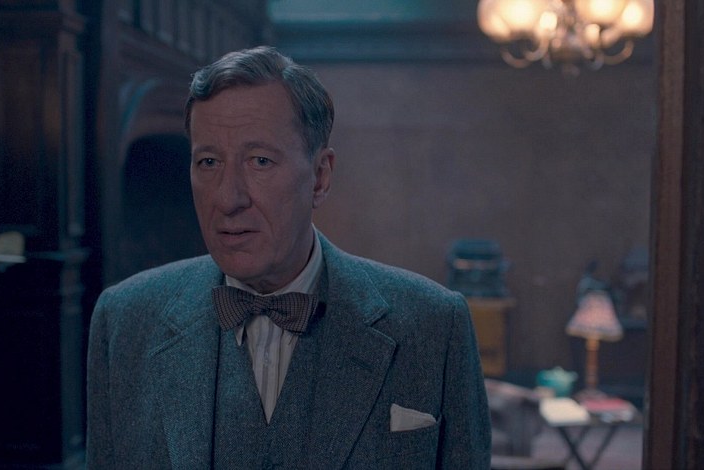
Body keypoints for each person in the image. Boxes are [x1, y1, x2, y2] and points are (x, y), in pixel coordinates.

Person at [86, 46, 491, 469]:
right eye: (208, 162)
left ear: (319, 177)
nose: (228, 198)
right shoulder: (125, 321)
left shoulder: (434, 325)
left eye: (260, 161)